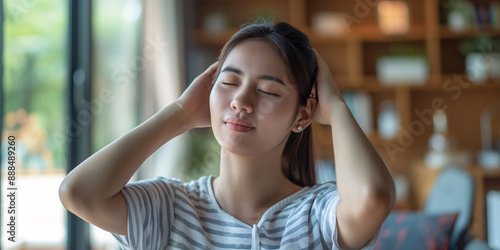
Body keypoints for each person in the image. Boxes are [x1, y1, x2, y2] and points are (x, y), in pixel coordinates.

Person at [59, 21, 395, 250]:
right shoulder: (170, 209)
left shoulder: (319, 216)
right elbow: (78, 193)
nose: (241, 101)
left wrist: (335, 107)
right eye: (229, 82)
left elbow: (373, 197)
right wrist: (181, 113)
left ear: (302, 115)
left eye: (268, 91)